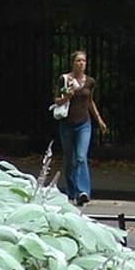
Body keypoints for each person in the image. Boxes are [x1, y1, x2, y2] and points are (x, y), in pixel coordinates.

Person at [53, 50, 107, 206]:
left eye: (83, 61)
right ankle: (72, 191)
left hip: (84, 123)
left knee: (81, 157)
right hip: (67, 124)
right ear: (73, 63)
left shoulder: (90, 82)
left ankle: (83, 191)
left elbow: (90, 101)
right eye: (78, 61)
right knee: (70, 159)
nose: (81, 63)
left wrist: (99, 120)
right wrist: (66, 97)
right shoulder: (64, 79)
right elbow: (56, 100)